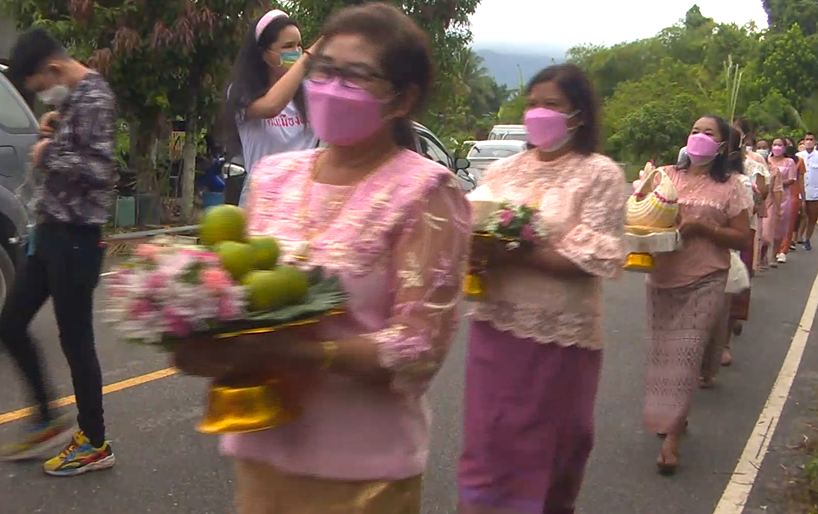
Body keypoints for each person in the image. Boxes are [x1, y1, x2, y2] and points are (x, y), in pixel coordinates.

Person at [173, 4, 470, 513]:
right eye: (324, 70)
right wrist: (200, 335)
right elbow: (241, 294)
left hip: (362, 471)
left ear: (403, 98)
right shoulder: (274, 177)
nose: (331, 87)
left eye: (354, 76)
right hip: (261, 447)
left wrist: (303, 354)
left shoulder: (427, 192)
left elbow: (421, 346)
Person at [458, 64, 627, 514]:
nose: (538, 113)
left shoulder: (600, 175)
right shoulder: (502, 172)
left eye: (551, 105)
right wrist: (476, 250)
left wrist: (514, 253)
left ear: (579, 115)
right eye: (532, 104)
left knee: (555, 445)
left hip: (560, 339)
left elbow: (594, 258)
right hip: (496, 329)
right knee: (490, 443)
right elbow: (474, 229)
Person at [0, 28, 117, 476]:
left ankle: (95, 442)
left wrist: (46, 153)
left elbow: (100, 171)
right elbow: (77, 150)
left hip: (76, 239)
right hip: (49, 233)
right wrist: (54, 130)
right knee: (10, 324)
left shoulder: (96, 97)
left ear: (52, 68)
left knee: (76, 342)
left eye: (38, 87)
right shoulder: (71, 101)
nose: (41, 95)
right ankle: (47, 416)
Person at [644, 115, 752, 475]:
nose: (699, 137)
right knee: (663, 354)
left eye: (708, 133)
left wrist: (703, 229)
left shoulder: (732, 186)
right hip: (663, 276)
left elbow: (742, 237)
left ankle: (672, 438)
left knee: (686, 356)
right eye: (694, 130)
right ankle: (674, 414)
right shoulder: (664, 176)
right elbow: (640, 213)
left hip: (706, 277)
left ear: (721, 146)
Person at [217, 9, 319, 205]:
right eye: (287, 46)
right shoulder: (241, 93)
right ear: (264, 54)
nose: (297, 52)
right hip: (262, 196)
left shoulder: (311, 92)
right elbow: (271, 107)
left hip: (302, 198)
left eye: (299, 45)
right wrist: (307, 59)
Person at [767, 138, 797, 263]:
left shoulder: (789, 162)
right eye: (774, 144)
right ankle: (762, 256)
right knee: (766, 226)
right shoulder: (767, 161)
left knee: (779, 227)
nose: (777, 147)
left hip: (783, 197)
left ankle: (775, 254)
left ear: (784, 148)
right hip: (768, 196)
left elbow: (791, 179)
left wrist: (777, 183)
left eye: (779, 145)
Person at [798, 133, 818, 250]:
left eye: (811, 139)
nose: (809, 141)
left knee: (812, 217)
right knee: (799, 216)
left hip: (814, 192)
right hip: (799, 191)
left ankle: (807, 239)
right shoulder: (798, 156)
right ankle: (796, 238)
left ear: (815, 142)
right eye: (807, 139)